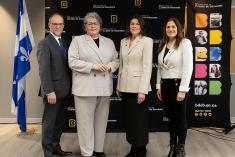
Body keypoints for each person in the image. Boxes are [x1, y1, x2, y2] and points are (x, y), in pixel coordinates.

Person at [68, 12, 119, 157]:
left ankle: (98, 150)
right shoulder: (77, 41)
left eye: (95, 23)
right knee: (85, 123)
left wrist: (110, 66)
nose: (93, 26)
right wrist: (92, 66)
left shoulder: (108, 42)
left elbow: (117, 60)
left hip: (104, 87)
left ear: (100, 26)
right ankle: (87, 153)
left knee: (101, 121)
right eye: (89, 23)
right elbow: (72, 61)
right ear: (84, 27)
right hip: (85, 88)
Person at [116, 14, 153, 157]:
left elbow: (147, 66)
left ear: (141, 26)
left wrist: (142, 90)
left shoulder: (146, 41)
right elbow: (121, 65)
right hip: (125, 87)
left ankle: (141, 150)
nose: (134, 26)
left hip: (139, 88)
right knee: (130, 121)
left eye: (137, 24)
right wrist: (118, 85)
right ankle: (133, 149)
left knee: (140, 121)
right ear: (128, 25)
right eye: (132, 23)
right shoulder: (123, 41)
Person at [156, 17, 193, 157]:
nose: (170, 29)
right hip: (165, 86)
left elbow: (188, 67)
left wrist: (182, 89)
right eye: (168, 27)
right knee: (171, 118)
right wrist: (158, 86)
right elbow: (160, 68)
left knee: (180, 118)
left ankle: (181, 148)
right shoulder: (163, 43)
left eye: (173, 27)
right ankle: (173, 145)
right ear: (165, 29)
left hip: (178, 86)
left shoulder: (184, 43)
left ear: (178, 28)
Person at [37, 13, 72, 157]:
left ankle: (56, 147)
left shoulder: (64, 42)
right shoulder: (44, 44)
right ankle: (48, 152)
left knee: (59, 122)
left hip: (64, 90)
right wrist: (49, 91)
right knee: (49, 124)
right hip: (53, 92)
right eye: (54, 24)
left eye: (60, 24)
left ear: (63, 26)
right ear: (49, 25)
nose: (57, 26)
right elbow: (44, 70)